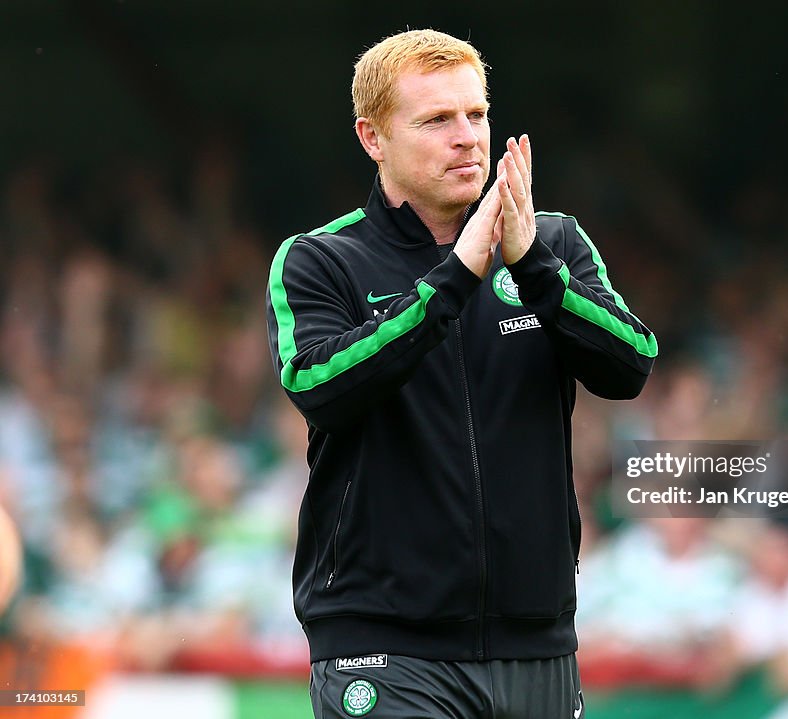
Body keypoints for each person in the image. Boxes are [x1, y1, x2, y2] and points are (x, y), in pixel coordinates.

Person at [266, 29, 657, 719]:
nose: (467, 137)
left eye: (476, 115)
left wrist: (532, 263)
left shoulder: (551, 241)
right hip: (382, 647)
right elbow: (318, 387)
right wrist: (453, 279)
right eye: (437, 120)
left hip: (538, 647)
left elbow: (631, 364)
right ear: (373, 137)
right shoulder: (320, 260)